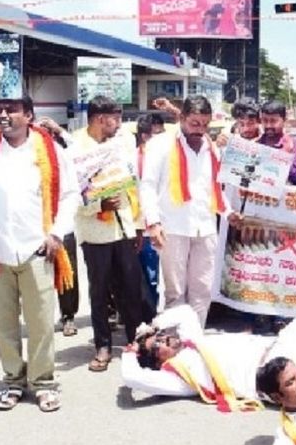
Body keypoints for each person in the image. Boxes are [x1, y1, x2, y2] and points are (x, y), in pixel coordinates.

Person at [0, 96, 79, 412]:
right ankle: (12, 381)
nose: (4, 115)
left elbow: (69, 194)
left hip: (37, 250)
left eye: (11, 110)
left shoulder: (48, 149)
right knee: (4, 323)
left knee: (39, 323)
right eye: (0, 110)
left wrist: (56, 233)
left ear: (29, 115)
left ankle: (42, 383)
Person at [122, 293, 296, 404]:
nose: (165, 340)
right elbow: (133, 378)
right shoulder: (181, 378)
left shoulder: (190, 340)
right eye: (158, 347)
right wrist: (131, 351)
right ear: (158, 363)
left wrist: (152, 327)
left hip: (281, 344)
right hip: (274, 371)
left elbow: (184, 312)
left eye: (162, 337)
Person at [141, 95, 237, 327]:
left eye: (205, 125)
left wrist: (229, 212)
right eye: (195, 123)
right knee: (175, 292)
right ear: (181, 118)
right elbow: (147, 185)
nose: (200, 130)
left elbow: (213, 187)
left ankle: (194, 342)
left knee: (203, 290)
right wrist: (153, 222)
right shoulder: (161, 144)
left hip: (205, 228)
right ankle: (174, 345)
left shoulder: (211, 147)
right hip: (172, 227)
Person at [70, 96, 145, 372]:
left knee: (130, 288)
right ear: (101, 119)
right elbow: (69, 193)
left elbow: (133, 183)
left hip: (123, 227)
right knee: (99, 291)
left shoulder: (122, 142)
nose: (120, 123)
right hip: (95, 232)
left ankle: (135, 340)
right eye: (116, 117)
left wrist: (137, 223)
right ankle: (102, 345)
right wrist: (96, 205)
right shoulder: (75, 147)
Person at [37, 117, 80, 337]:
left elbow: (79, 149)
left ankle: (69, 317)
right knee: (37, 277)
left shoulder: (62, 153)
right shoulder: (30, 154)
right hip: (37, 229)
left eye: (48, 131)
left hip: (62, 227)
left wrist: (60, 130)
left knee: (67, 273)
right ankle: (40, 320)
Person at [135, 113, 166, 317]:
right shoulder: (133, 158)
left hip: (165, 226)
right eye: (158, 134)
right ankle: (148, 318)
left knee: (160, 278)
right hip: (143, 228)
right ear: (145, 136)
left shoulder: (168, 155)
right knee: (147, 277)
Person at [257, 100, 296, 185]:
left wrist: (282, 157)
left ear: (284, 120)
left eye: (273, 121)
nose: (268, 125)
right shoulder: (255, 145)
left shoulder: (295, 146)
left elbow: (294, 176)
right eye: (265, 121)